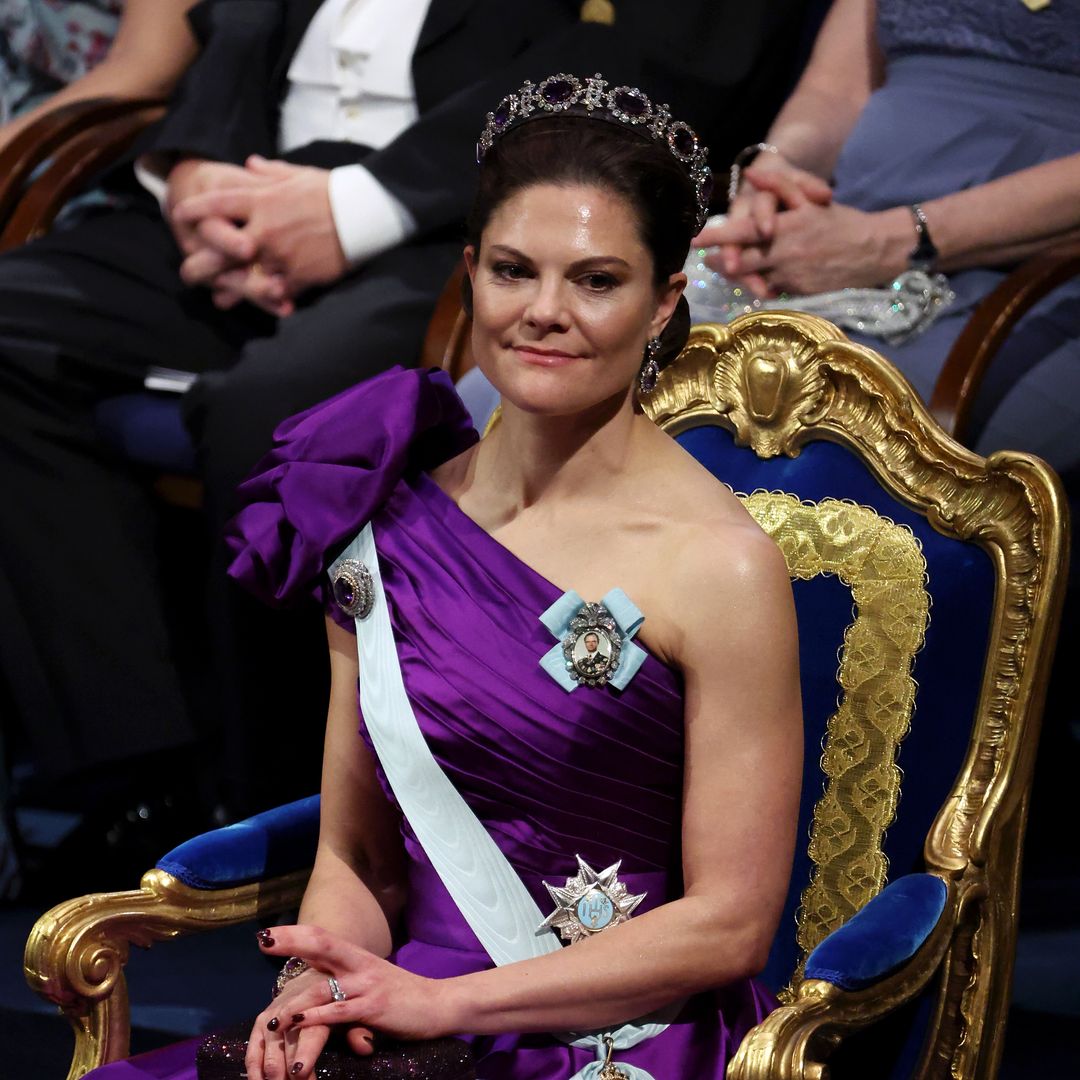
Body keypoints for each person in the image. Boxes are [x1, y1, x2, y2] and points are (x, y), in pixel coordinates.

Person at [83, 74, 802, 1079]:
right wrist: (319, 987)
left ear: (663, 300)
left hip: (613, 1037)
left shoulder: (721, 565)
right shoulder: (383, 516)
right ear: (469, 277)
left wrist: (443, 1002)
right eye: (514, 271)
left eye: (595, 280)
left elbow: (729, 929)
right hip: (404, 1014)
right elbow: (359, 857)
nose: (545, 312)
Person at [0, 0, 812, 874]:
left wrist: (357, 208)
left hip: (451, 213)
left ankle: (285, 805)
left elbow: (657, 53)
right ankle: (139, 781)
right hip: (241, 186)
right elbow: (236, 27)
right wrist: (193, 169)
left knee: (281, 421)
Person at [691, 0, 1080, 480]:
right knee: (644, 347)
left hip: (1042, 270)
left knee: (837, 415)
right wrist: (777, 176)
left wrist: (889, 242)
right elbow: (836, 90)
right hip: (841, 224)